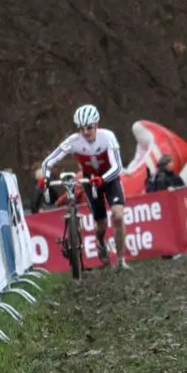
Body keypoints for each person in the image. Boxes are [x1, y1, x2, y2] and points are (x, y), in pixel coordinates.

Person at [40, 104, 130, 270]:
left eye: (89, 127)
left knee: (118, 216)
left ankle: (120, 260)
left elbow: (118, 166)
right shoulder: (73, 141)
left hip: (109, 178)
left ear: (97, 125)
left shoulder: (107, 137)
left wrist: (102, 179)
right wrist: (45, 178)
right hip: (90, 180)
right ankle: (101, 241)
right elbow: (48, 162)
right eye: (81, 128)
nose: (85, 132)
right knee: (101, 223)